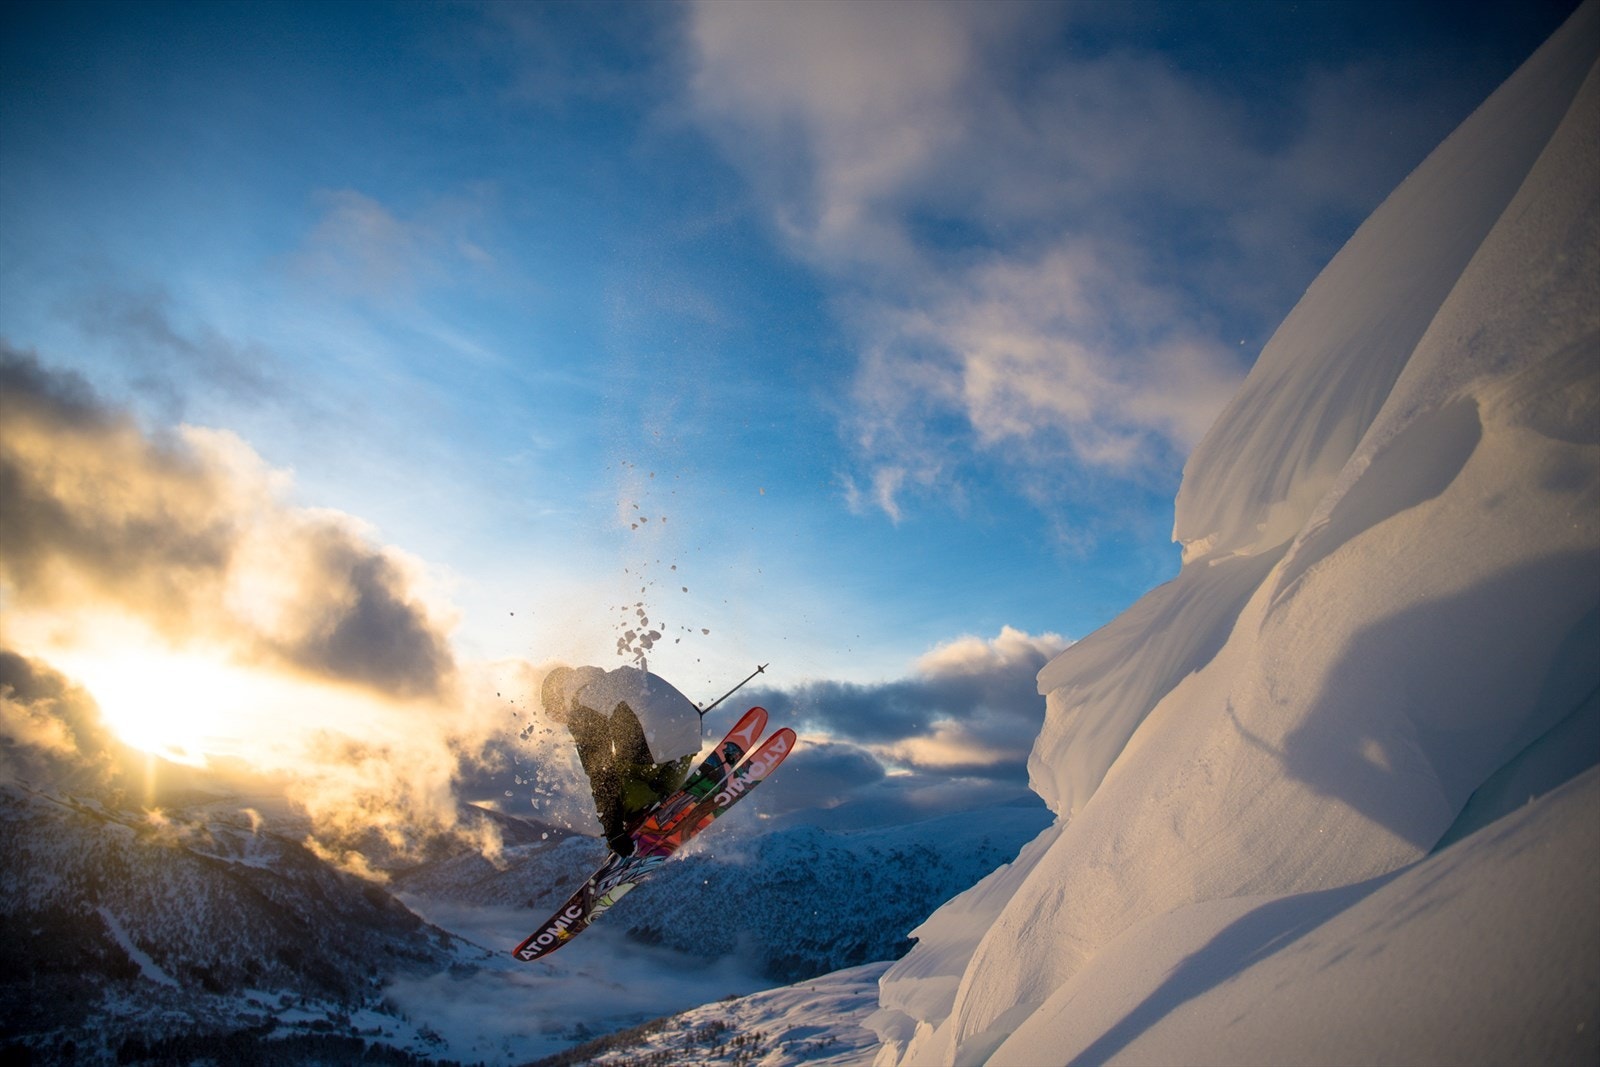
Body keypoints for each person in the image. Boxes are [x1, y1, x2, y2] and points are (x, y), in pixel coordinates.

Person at [541, 664, 703, 856]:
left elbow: (601, 772)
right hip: (690, 733)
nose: (558, 719)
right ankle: (663, 798)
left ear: (559, 697)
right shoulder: (611, 681)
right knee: (657, 785)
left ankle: (641, 815)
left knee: (620, 792)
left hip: (653, 742)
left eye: (552, 712)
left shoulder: (581, 703)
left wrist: (614, 829)